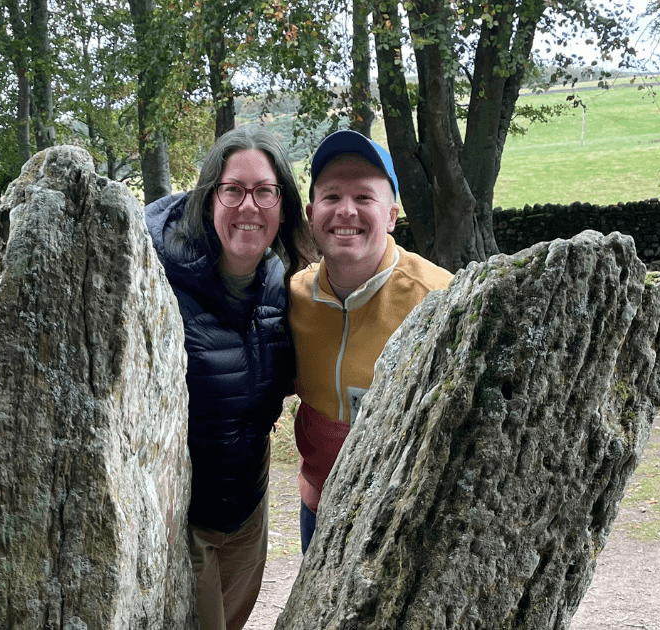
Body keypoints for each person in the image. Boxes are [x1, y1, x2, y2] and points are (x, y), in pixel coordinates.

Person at [144, 126, 311, 630]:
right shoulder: (160, 279)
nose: (248, 206)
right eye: (233, 190)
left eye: (264, 191)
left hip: (247, 507)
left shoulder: (282, 284)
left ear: (282, 205)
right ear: (209, 197)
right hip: (184, 518)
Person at [288, 130, 453, 553]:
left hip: (406, 519)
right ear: (311, 213)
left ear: (392, 214)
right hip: (318, 509)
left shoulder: (440, 298)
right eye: (331, 197)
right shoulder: (292, 297)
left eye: (364, 198)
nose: (346, 211)